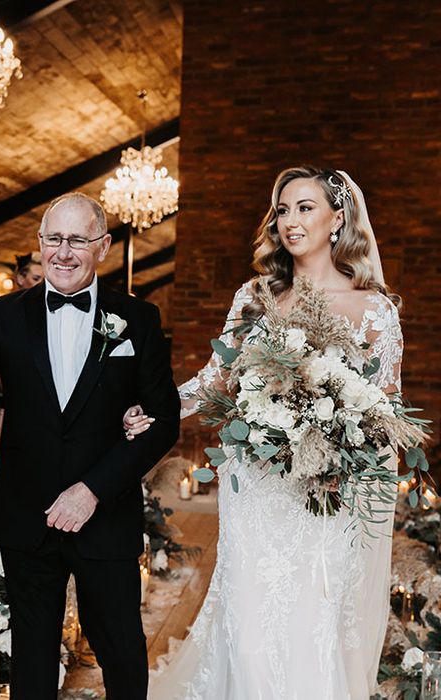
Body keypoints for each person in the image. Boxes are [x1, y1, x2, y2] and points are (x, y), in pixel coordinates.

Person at [125, 166, 401, 699]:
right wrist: (160, 412)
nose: (290, 221)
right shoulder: (253, 298)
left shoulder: (375, 311)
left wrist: (338, 453)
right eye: (282, 209)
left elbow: (385, 415)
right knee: (250, 629)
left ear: (337, 218)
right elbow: (214, 379)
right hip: (256, 487)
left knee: (314, 626)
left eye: (305, 207)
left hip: (327, 499)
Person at [0, 192, 181, 699]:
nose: (63, 253)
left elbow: (165, 421)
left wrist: (93, 490)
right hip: (28, 511)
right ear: (40, 243)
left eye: (77, 241)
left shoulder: (138, 319)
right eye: (53, 239)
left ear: (104, 246)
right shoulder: (6, 315)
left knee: (120, 649)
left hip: (105, 512)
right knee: (32, 653)